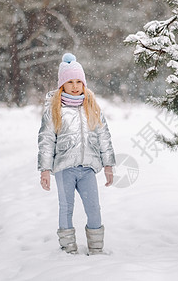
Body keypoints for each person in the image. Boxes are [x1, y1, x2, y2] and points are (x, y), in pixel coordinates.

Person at [38, 53, 115, 255]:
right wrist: (45, 170)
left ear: (84, 84)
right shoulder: (54, 110)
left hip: (87, 168)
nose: (74, 86)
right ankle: (68, 248)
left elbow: (104, 137)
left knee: (94, 208)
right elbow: (46, 140)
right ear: (62, 85)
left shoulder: (92, 108)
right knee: (66, 207)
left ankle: (97, 249)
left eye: (78, 81)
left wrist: (108, 165)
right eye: (70, 82)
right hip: (65, 169)